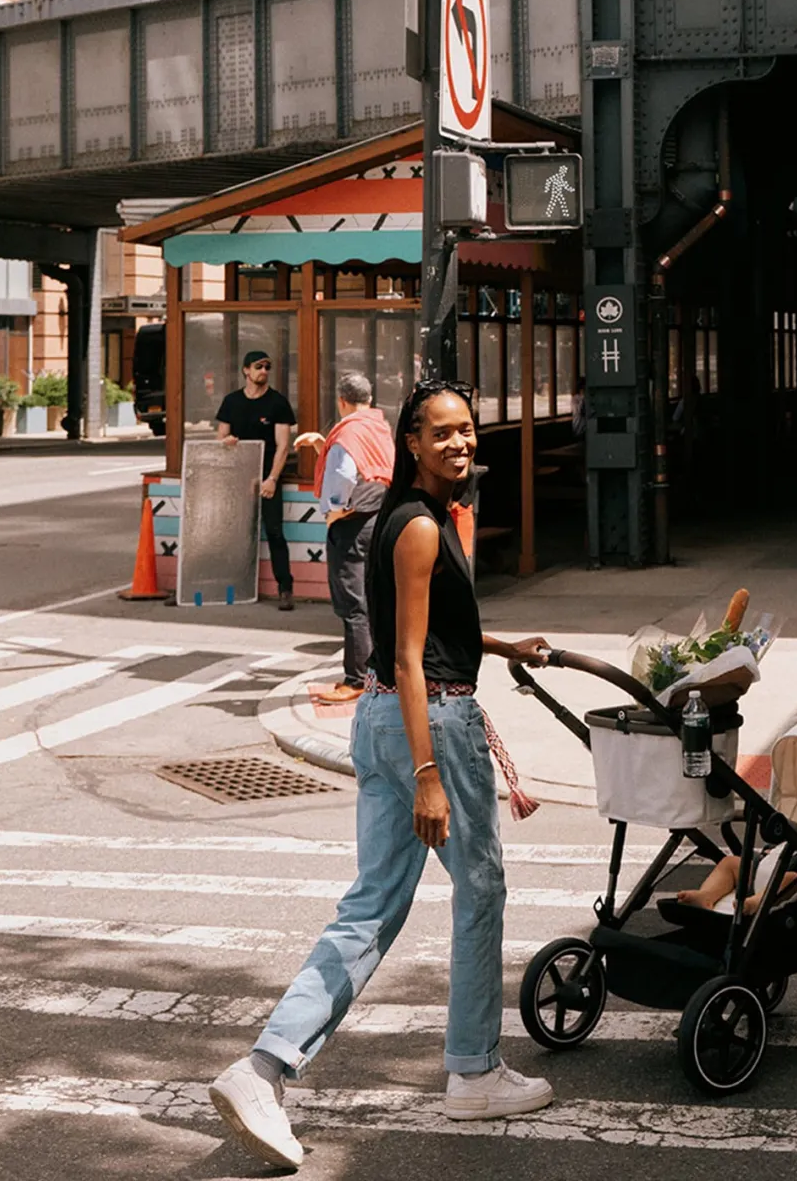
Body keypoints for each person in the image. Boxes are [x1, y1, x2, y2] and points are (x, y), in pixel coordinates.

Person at [209, 379, 555, 1170]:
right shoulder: (421, 527)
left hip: (382, 718)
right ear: (411, 444)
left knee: (370, 907)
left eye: (467, 430)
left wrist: (501, 646)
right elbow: (406, 656)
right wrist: (430, 772)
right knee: (482, 887)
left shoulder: (409, 515)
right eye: (442, 434)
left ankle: (262, 1069)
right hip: (425, 723)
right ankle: (472, 1071)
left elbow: (423, 629)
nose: (460, 444)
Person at [294, 373, 396, 704]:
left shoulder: (347, 433)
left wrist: (333, 511)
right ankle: (379, 671)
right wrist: (321, 444)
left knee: (353, 603)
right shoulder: (378, 426)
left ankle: (357, 679)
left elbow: (343, 474)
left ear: (341, 401)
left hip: (352, 524)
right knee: (373, 597)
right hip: (378, 519)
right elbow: (366, 466)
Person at [675, 796, 797, 914]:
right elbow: (783, 844)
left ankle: (753, 904)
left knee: (789, 879)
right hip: (768, 868)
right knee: (730, 863)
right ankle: (706, 896)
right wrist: (769, 850)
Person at [215, 350, 297, 610]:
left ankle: (285, 588)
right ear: (245, 370)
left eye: (267, 367)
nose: (263, 371)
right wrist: (226, 442)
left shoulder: (277, 403)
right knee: (233, 531)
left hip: (267, 477)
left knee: (274, 531)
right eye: (258, 367)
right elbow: (221, 438)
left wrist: (272, 479)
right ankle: (229, 585)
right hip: (238, 477)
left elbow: (283, 446)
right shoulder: (231, 402)